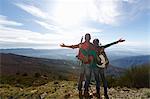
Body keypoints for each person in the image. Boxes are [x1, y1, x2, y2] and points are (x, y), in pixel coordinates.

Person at [60, 33, 96, 98]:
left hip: (85, 63)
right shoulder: (89, 45)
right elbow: (73, 46)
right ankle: (84, 89)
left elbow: (74, 46)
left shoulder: (83, 44)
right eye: (87, 37)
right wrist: (65, 46)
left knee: (83, 76)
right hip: (86, 63)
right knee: (86, 77)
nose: (87, 38)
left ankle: (81, 89)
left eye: (88, 37)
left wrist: (65, 46)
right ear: (88, 38)